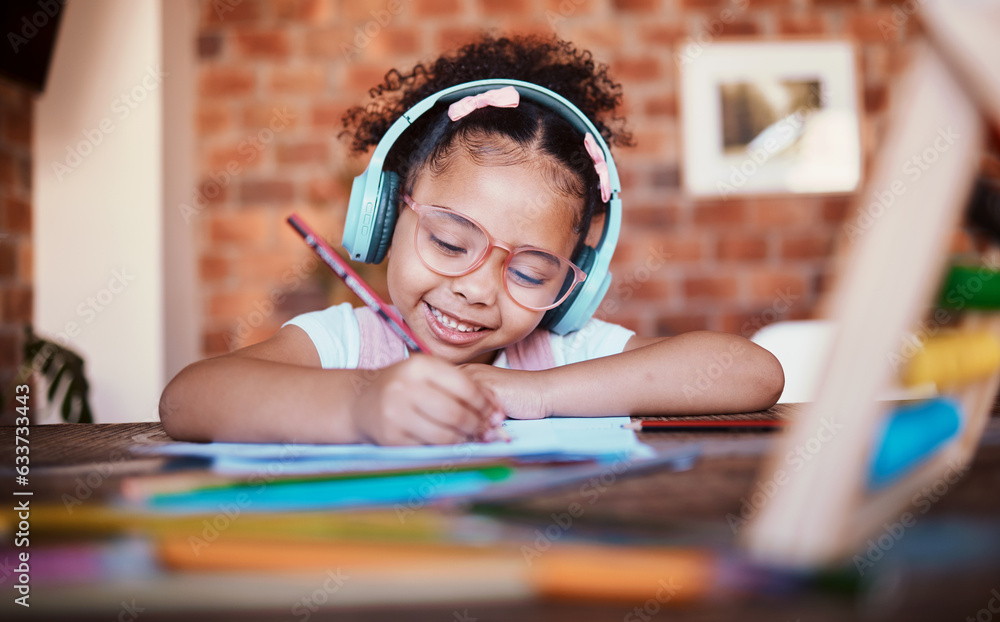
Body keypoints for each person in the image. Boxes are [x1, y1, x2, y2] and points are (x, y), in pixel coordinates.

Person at [159, 34, 783, 446]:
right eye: (452, 243)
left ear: (577, 283)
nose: (478, 290)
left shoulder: (562, 356)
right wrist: (361, 404)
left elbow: (752, 373)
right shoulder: (346, 344)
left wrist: (534, 393)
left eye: (532, 274)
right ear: (383, 217)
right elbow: (188, 401)